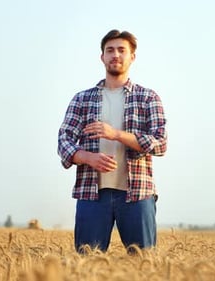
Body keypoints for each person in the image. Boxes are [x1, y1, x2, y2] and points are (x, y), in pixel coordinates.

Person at [57, 29, 167, 253]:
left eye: (121, 50)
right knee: (86, 264)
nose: (115, 55)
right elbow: (64, 141)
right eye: (110, 50)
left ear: (132, 57)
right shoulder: (82, 98)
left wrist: (116, 134)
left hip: (137, 194)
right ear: (102, 57)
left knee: (145, 264)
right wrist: (88, 157)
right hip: (92, 194)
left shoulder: (148, 97)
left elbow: (160, 143)